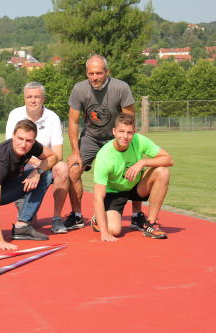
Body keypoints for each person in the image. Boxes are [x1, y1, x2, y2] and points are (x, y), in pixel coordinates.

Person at [66, 54, 141, 230]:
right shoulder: (79, 89)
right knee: (73, 171)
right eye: (91, 73)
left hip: (116, 137)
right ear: (86, 73)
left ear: (107, 72)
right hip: (91, 137)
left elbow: (129, 118)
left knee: (134, 168)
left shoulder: (121, 88)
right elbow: (73, 122)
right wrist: (75, 152)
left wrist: (123, 140)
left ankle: (137, 215)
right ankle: (77, 216)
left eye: (99, 73)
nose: (95, 77)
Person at [0, 119, 58, 251]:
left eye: (29, 140)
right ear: (13, 136)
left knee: (46, 175)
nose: (23, 144)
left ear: (34, 140)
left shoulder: (32, 146)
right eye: (20, 139)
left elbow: (53, 157)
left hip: (3, 189)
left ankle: (22, 226)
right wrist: (0, 240)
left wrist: (37, 171)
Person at [92, 113, 173, 242]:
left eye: (129, 133)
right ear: (114, 131)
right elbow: (97, 197)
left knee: (162, 172)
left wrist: (143, 162)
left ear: (134, 132)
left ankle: (150, 224)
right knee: (114, 230)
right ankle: (98, 218)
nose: (125, 136)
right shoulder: (104, 156)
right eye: (121, 131)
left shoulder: (139, 140)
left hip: (135, 186)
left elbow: (169, 159)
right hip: (114, 193)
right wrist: (104, 232)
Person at [6, 82, 69, 234]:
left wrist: (40, 168)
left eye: (37, 97)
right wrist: (36, 163)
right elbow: (11, 148)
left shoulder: (53, 118)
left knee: (63, 167)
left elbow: (58, 154)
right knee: (30, 221)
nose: (33, 100)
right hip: (21, 167)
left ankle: (57, 218)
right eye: (29, 97)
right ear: (24, 98)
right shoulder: (15, 115)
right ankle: (21, 198)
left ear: (43, 99)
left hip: (46, 166)